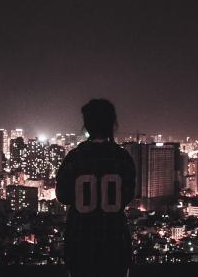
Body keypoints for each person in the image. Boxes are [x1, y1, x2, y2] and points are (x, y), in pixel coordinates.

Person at [56, 99, 136, 277]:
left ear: (86, 125)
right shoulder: (123, 158)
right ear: (112, 124)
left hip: (80, 240)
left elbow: (62, 196)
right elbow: (128, 195)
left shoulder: (74, 158)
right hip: (115, 240)